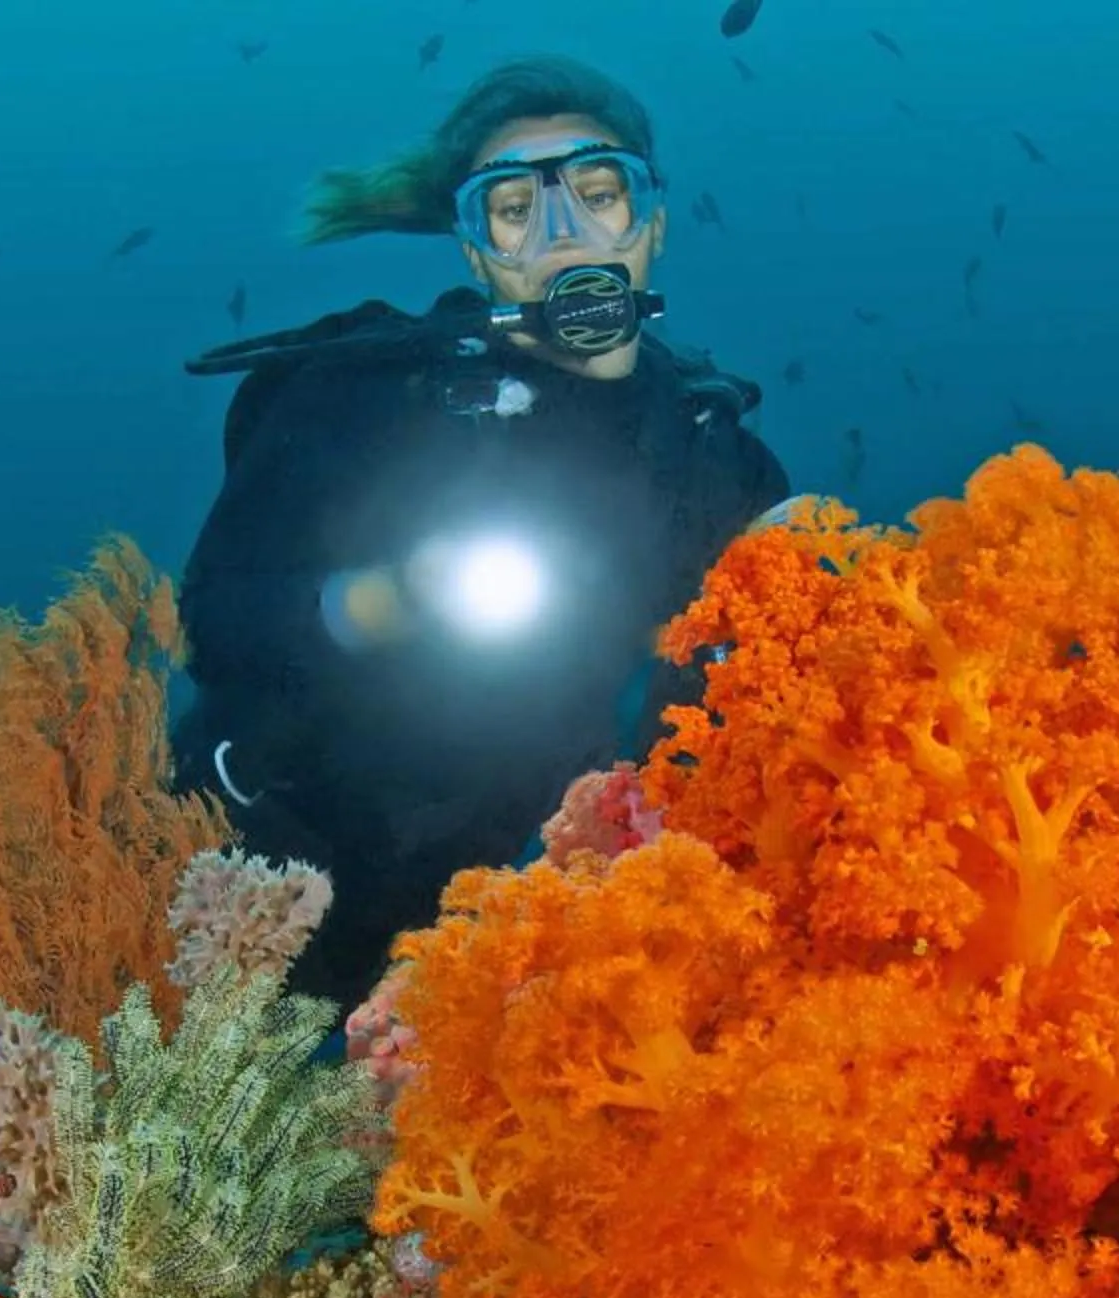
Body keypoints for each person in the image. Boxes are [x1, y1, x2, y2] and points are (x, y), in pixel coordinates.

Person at [172, 55, 791, 1006]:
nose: (562, 234)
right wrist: (382, 601)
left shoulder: (714, 457)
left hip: (512, 949)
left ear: (652, 225)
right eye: (514, 209)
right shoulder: (368, 390)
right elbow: (214, 614)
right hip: (264, 894)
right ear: (477, 251)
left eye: (599, 193)